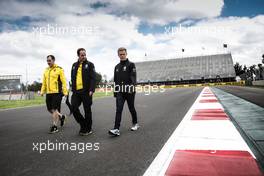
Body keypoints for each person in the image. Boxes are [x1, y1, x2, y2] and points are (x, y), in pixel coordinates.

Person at [109, 47, 139, 136]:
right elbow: (115, 80)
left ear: (126, 54)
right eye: (120, 54)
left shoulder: (131, 65)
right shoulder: (116, 67)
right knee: (118, 109)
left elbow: (133, 77)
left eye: (123, 54)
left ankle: (135, 123)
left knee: (131, 108)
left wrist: (131, 88)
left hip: (129, 91)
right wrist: (115, 92)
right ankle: (116, 129)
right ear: (118, 55)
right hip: (120, 92)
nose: (122, 55)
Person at [71, 48, 96, 136]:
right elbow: (72, 78)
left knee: (87, 110)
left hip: (86, 92)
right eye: (82, 55)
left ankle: (88, 128)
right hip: (76, 92)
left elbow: (93, 78)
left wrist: (91, 89)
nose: (84, 56)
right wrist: (73, 89)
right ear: (78, 55)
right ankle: (83, 124)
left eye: (85, 54)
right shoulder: (74, 65)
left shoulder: (90, 64)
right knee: (73, 107)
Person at [40, 55, 68, 134]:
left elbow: (64, 82)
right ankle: (62, 117)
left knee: (55, 109)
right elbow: (44, 82)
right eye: (47, 61)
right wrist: (42, 91)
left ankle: (54, 126)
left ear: (53, 60)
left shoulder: (59, 69)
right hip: (48, 93)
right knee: (50, 109)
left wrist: (65, 92)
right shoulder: (46, 70)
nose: (48, 62)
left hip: (57, 92)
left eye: (50, 60)